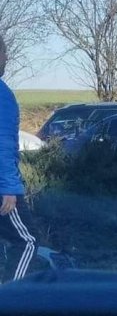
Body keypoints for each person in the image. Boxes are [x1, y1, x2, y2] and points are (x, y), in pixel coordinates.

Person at [0, 36, 38, 281]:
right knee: (28, 243)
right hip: (1, 188)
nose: (7, 58)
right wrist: (8, 187)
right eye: (3, 52)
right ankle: (12, 299)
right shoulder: (2, 95)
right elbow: (2, 143)